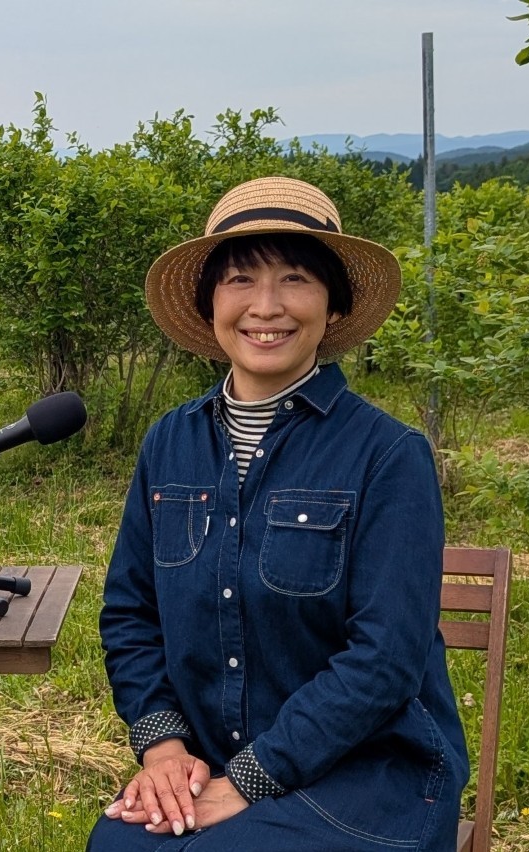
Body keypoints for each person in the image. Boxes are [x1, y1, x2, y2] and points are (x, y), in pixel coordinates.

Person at [87, 177, 466, 851]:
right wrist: (163, 748)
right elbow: (130, 613)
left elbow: (384, 660)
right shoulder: (170, 442)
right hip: (212, 761)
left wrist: (252, 778)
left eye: (295, 278)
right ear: (210, 303)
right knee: (117, 845)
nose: (266, 306)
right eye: (240, 279)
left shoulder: (387, 454)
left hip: (370, 775)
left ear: (333, 304)